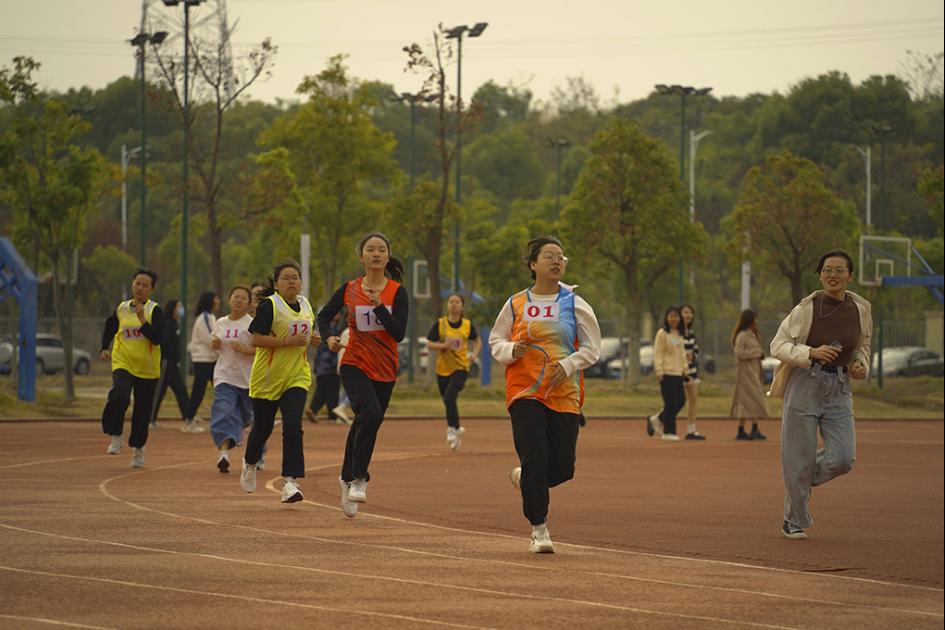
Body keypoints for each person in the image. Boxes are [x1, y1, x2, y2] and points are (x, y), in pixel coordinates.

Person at [489, 236, 601, 554]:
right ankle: (539, 528)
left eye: (561, 256)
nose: (556, 261)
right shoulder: (516, 303)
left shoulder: (575, 303)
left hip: (564, 391)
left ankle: (527, 479)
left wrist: (568, 364)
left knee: (563, 468)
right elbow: (496, 340)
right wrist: (512, 349)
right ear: (533, 264)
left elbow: (593, 348)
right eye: (549, 256)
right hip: (525, 390)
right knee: (535, 453)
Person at [771, 250, 872, 540]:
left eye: (840, 270)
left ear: (849, 276)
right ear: (820, 275)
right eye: (827, 270)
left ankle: (798, 477)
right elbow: (777, 345)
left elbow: (862, 346)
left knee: (843, 459)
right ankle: (794, 519)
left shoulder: (861, 308)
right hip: (804, 382)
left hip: (839, 388)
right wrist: (809, 352)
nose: (833, 275)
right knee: (797, 455)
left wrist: (859, 364)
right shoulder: (806, 308)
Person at [317, 232, 408, 519]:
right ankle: (359, 477)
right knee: (371, 414)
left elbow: (399, 333)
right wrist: (329, 337)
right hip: (354, 362)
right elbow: (323, 315)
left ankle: (345, 477)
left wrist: (379, 304)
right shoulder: (349, 288)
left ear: (388, 256)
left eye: (382, 249)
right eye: (371, 249)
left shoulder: (397, 292)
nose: (377, 254)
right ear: (362, 256)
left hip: (386, 367)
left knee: (366, 420)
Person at [240, 260, 320, 503]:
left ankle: (290, 482)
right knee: (262, 429)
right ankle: (250, 462)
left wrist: (313, 339)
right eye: (285, 278)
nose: (292, 281)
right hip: (267, 378)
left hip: (297, 375)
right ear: (276, 284)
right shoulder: (269, 307)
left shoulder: (306, 304)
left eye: (295, 277)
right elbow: (255, 340)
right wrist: (286, 342)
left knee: (293, 425)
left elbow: (306, 334)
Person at [99, 269, 163, 468]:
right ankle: (115, 435)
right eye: (137, 284)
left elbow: (157, 337)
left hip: (147, 368)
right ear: (132, 285)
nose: (140, 288)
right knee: (120, 395)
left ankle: (138, 449)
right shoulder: (122, 308)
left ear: (151, 289)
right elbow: (110, 326)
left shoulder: (155, 310)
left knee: (142, 411)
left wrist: (143, 319)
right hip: (123, 362)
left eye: (145, 286)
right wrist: (104, 347)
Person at [426, 293, 482, 451]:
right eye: (451, 302)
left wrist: (474, 355)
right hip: (442, 369)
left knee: (450, 396)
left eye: (457, 302)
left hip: (461, 367)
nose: (454, 305)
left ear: (462, 306)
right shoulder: (440, 324)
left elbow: (477, 340)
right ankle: (457, 428)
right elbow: (430, 344)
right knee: (448, 400)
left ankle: (451, 430)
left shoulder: (467, 325)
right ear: (447, 305)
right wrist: (443, 346)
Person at [209, 286, 255, 473]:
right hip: (224, 376)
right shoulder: (220, 322)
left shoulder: (251, 324)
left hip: (246, 379)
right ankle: (223, 454)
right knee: (224, 411)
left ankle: (244, 438)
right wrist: (215, 344)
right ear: (229, 299)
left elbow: (261, 350)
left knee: (246, 418)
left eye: (243, 298)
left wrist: (243, 349)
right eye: (236, 297)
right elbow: (215, 343)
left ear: (248, 303)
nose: (239, 300)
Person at [647, 306, 688, 442]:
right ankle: (668, 431)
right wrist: (659, 370)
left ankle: (658, 419)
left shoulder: (679, 333)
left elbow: (682, 354)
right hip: (666, 372)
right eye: (671, 316)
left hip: (678, 372)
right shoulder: (662, 334)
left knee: (681, 401)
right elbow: (658, 352)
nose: (674, 319)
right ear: (666, 318)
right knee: (670, 403)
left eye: (676, 316)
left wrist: (685, 369)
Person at [149, 299, 189, 429]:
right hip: (165, 361)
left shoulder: (175, 323)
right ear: (172, 308)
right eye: (179, 307)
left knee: (181, 389)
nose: (181, 310)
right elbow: (164, 343)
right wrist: (171, 355)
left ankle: (188, 417)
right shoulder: (167, 323)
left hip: (172, 362)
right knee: (159, 390)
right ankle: (150, 419)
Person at [730, 309, 769, 441]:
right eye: (754, 319)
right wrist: (756, 353)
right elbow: (739, 353)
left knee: (752, 400)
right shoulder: (741, 336)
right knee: (746, 400)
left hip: (754, 371)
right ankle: (741, 429)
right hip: (745, 373)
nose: (756, 322)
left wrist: (759, 355)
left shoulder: (753, 335)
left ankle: (754, 427)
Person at [184, 291, 219, 433]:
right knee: (199, 391)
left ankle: (221, 419)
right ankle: (189, 420)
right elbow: (211, 339)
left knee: (220, 390)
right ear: (210, 301)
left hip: (210, 359)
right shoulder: (204, 317)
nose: (218, 301)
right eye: (216, 298)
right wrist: (222, 352)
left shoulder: (211, 316)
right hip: (203, 360)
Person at [305, 311, 343, 423]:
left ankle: (313, 409)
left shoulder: (321, 327)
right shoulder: (332, 328)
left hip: (321, 364)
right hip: (330, 364)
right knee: (332, 389)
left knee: (322, 389)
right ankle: (332, 415)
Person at [680, 304, 706, 440]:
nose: (688, 315)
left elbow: (696, 350)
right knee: (678, 402)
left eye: (690, 313)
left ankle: (691, 430)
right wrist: (683, 356)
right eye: (685, 312)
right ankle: (660, 421)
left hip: (692, 371)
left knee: (693, 401)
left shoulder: (691, 333)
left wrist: (692, 356)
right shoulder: (676, 333)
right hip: (679, 372)